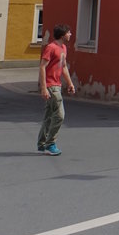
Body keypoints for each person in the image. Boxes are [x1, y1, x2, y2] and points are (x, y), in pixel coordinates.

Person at [37, 24, 76, 155]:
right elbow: (42, 67)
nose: (71, 35)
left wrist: (70, 83)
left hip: (57, 85)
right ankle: (50, 144)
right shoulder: (51, 48)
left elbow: (63, 67)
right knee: (59, 115)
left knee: (49, 116)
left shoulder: (63, 48)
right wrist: (44, 88)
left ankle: (42, 143)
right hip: (51, 86)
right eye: (69, 33)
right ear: (62, 35)